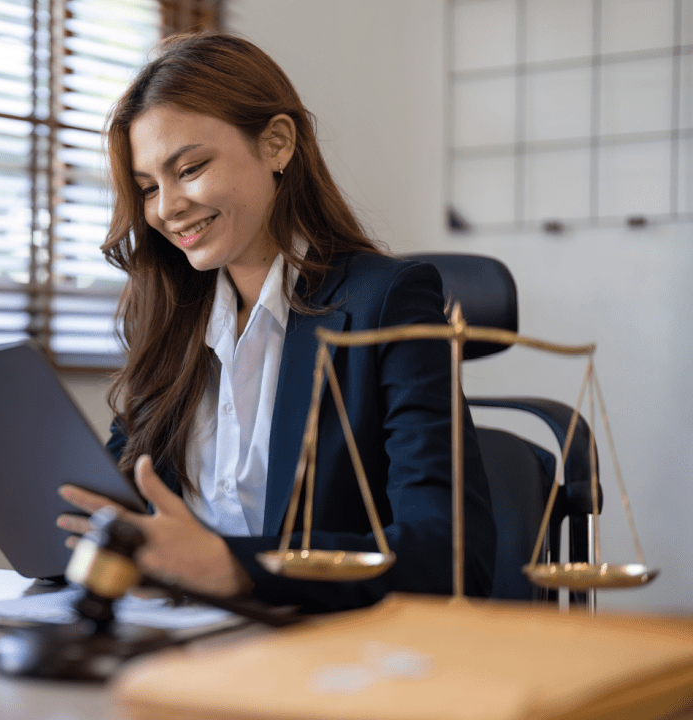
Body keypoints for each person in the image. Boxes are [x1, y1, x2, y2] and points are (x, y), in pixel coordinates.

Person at [55, 33, 495, 613]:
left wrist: (233, 568)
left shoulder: (386, 300)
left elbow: (450, 553)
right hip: (178, 635)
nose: (166, 207)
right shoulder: (171, 320)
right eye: (147, 188)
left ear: (277, 144)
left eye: (189, 168)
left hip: (326, 650)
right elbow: (124, 504)